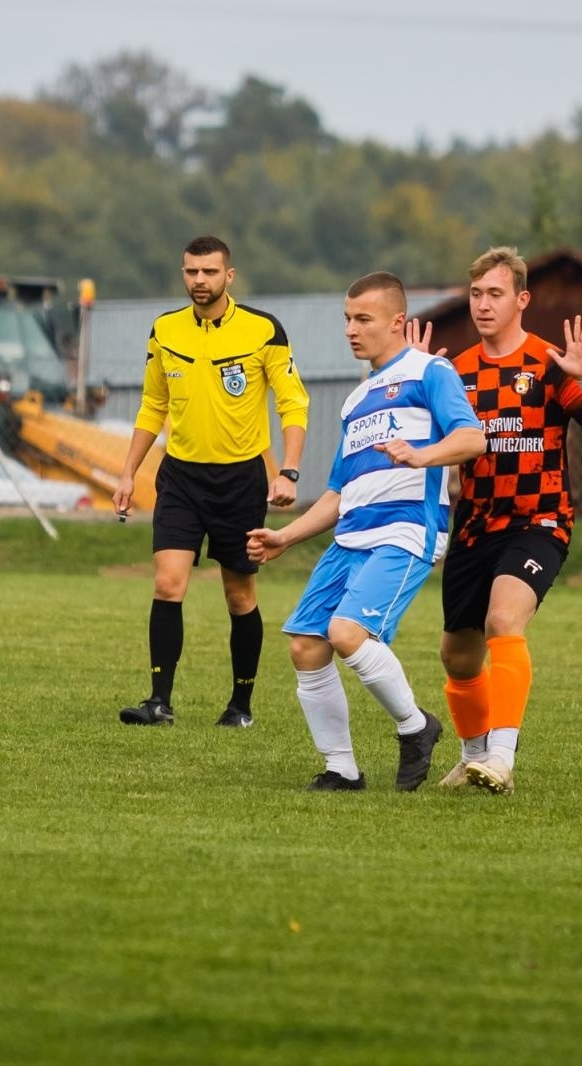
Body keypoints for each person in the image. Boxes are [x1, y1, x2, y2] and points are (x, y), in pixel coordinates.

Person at [246, 271, 484, 790]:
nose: (351, 330)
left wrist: (423, 456)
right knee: (306, 645)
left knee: (346, 633)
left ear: (398, 322)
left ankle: (416, 727)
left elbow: (472, 437)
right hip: (349, 538)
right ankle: (342, 769)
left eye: (363, 319)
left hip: (404, 530)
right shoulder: (358, 399)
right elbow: (337, 493)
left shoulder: (430, 372)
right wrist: (285, 537)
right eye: (347, 319)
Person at [423, 246, 582, 794]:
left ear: (521, 299)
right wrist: (408, 377)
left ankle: (502, 757)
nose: (483, 304)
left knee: (503, 622)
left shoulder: (549, 364)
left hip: (539, 521)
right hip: (474, 525)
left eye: (495, 294)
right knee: (458, 654)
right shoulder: (454, 372)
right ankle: (473, 760)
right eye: (475, 294)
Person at [114, 236, 310, 727]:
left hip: (240, 481)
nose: (199, 281)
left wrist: (288, 470)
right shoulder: (164, 330)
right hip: (179, 476)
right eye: (190, 272)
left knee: (239, 596)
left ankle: (240, 706)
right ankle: (159, 702)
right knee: (167, 584)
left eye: (208, 272)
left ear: (229, 275)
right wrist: (127, 472)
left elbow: (293, 402)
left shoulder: (264, 330)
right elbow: (152, 407)